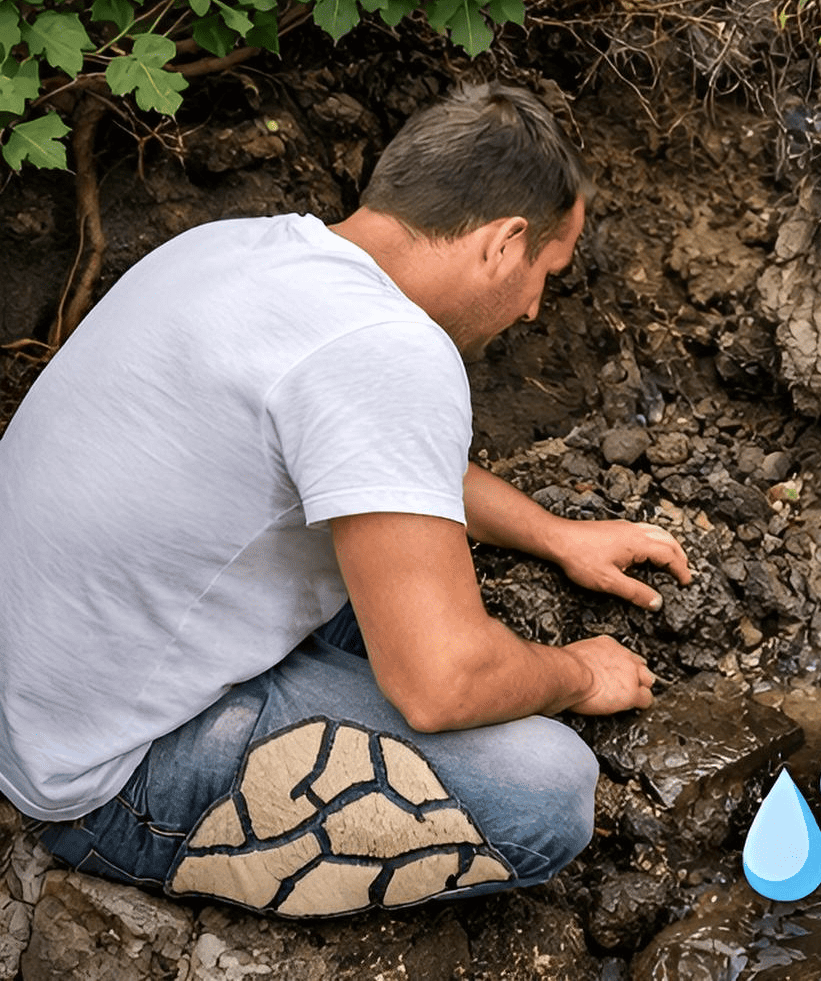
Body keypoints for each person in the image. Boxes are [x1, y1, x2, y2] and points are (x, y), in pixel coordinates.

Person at [0, 82, 692, 917]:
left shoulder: (241, 249)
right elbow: (442, 686)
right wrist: (579, 675)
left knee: (452, 625)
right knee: (547, 789)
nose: (535, 307)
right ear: (506, 243)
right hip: (97, 768)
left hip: (40, 682)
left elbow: (368, 453)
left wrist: (554, 535)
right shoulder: (389, 350)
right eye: (544, 274)